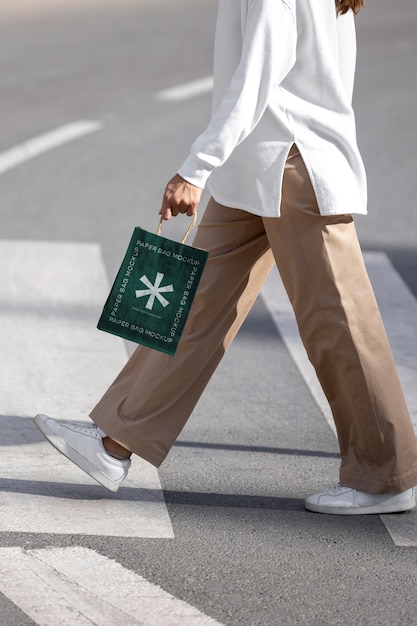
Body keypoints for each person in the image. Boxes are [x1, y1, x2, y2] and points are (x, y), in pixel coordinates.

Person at [35, 0, 417, 515]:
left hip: (292, 167)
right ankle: (115, 442)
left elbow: (255, 77)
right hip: (253, 170)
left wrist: (196, 168)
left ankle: (386, 475)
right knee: (191, 307)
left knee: (342, 326)